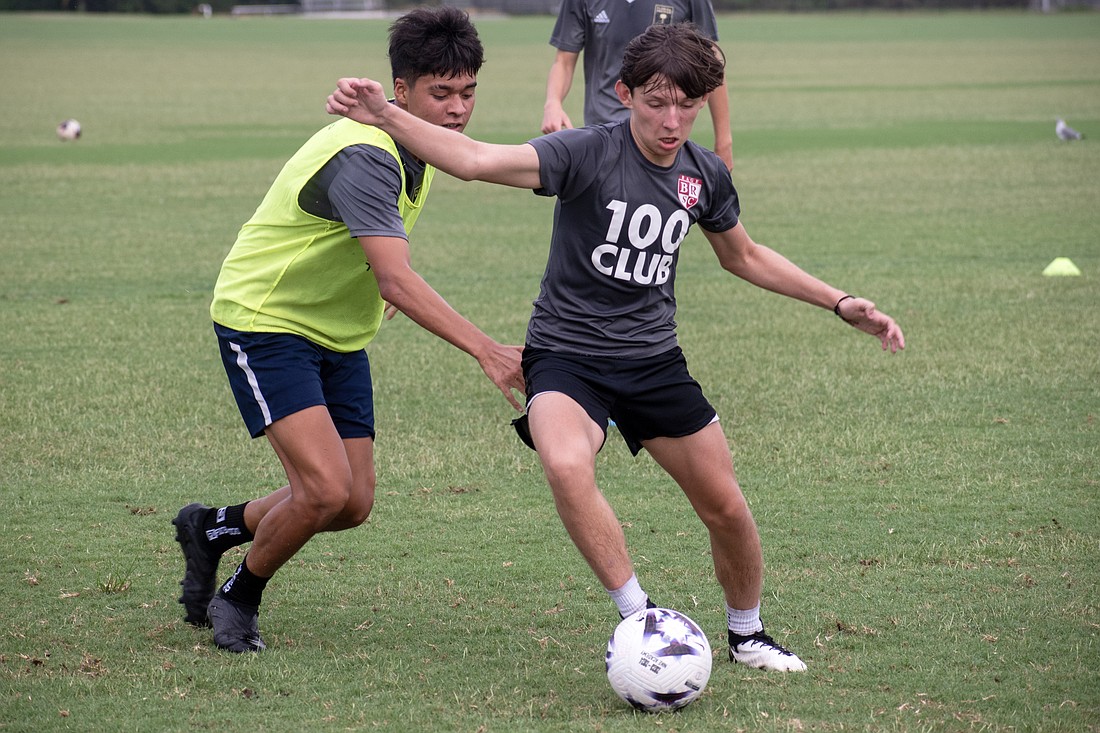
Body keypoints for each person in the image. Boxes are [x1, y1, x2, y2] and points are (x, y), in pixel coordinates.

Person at [326, 22, 905, 672]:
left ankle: (748, 634)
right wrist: (383, 113)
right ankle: (642, 618)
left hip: (654, 362)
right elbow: (475, 160)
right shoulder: (585, 153)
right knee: (567, 463)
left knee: (728, 507)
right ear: (623, 93)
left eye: (687, 104)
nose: (672, 119)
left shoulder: (702, 174)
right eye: (656, 102)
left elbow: (744, 256)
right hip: (566, 357)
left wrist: (838, 301)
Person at [172, 7, 524, 653]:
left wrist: (381, 275)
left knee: (351, 501)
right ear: (401, 91)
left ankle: (213, 528)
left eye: (467, 92)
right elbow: (394, 275)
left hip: (336, 329)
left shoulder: (418, 144)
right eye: (439, 93)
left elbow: (383, 250)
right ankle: (239, 595)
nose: (456, 109)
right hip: (266, 318)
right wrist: (487, 349)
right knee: (324, 488)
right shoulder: (367, 153)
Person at [541, 0, 733, 170]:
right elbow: (564, 61)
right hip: (605, 132)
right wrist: (553, 103)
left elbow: (710, 66)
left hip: (663, 131)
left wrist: (724, 142)